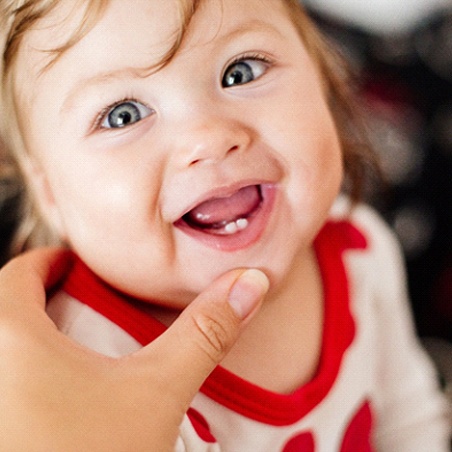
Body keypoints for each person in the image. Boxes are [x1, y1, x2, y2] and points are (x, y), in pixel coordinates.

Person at [0, 0, 449, 450]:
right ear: (49, 194)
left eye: (242, 71)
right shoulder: (86, 361)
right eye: (124, 115)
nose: (210, 138)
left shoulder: (359, 247)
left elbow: (409, 420)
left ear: (325, 81)